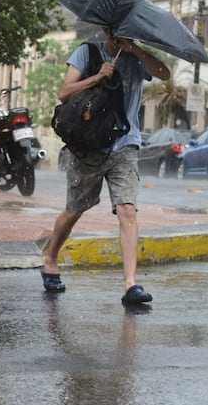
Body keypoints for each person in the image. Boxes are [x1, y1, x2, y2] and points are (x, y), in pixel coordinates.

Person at [40, 26, 170, 304]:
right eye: (118, 30)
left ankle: (130, 285)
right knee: (75, 209)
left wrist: (134, 48)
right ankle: (50, 257)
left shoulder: (136, 58)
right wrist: (98, 76)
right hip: (88, 145)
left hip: (125, 144)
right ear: (107, 30)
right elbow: (65, 93)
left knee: (127, 209)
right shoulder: (87, 52)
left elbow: (164, 74)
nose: (123, 34)